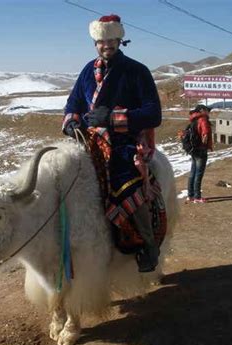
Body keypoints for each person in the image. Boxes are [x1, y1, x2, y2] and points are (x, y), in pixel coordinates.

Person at [62, 14, 163, 272]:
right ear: (95, 43)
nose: (106, 45)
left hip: (125, 141)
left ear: (120, 40)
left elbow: (153, 113)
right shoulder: (87, 70)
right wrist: (72, 122)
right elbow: (74, 102)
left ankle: (147, 244)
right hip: (90, 140)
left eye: (111, 40)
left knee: (126, 182)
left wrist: (114, 118)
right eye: (100, 41)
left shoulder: (137, 71)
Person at [186, 105, 213, 203]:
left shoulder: (194, 119)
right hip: (201, 150)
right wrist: (204, 146)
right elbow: (205, 134)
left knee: (193, 172)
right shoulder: (203, 119)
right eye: (207, 110)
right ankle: (197, 197)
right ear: (202, 110)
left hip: (194, 150)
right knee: (199, 174)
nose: (208, 112)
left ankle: (190, 195)